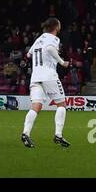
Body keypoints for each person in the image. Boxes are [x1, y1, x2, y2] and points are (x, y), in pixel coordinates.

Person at [21, 18, 70, 148]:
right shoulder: (53, 39)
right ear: (56, 27)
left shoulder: (39, 38)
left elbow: (29, 54)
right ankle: (58, 135)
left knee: (36, 106)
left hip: (35, 76)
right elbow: (49, 49)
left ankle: (25, 133)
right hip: (49, 75)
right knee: (61, 104)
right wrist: (61, 62)